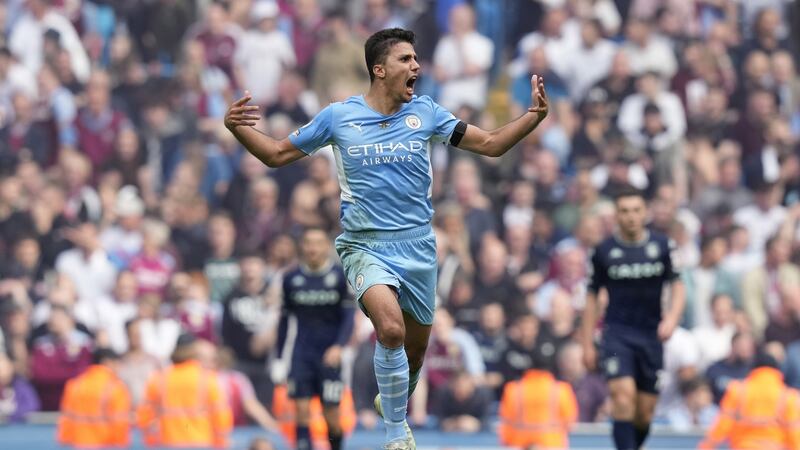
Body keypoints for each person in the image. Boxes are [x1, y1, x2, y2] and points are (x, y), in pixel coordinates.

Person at [224, 27, 549, 450]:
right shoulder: (339, 117)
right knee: (390, 330)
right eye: (406, 60)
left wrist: (532, 117)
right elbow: (276, 154)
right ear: (379, 70)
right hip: (365, 245)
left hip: (418, 247)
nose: (416, 66)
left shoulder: (428, 113)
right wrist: (236, 129)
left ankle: (392, 399)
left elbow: (489, 145)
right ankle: (397, 433)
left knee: (413, 353)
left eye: (416, 59)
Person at [581, 188, 685, 450]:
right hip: (617, 334)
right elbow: (592, 298)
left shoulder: (662, 245)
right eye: (624, 211)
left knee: (644, 412)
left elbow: (678, 285)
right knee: (622, 396)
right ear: (616, 215)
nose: (631, 217)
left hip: (651, 335)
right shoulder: (603, 251)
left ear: (645, 212)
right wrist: (586, 344)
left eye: (636, 210)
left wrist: (672, 318)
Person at [275, 228, 355, 450]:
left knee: (331, 414)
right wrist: (280, 357)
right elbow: (284, 322)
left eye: (318, 243)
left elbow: (349, 317)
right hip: (302, 353)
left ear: (327, 247)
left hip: (330, 355)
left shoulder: (340, 276)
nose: (312, 248)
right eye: (308, 242)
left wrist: (339, 346)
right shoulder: (291, 278)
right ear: (302, 246)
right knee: (300, 411)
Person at [137, 334, 233, 449]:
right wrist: (221, 443)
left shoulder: (159, 378)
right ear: (194, 352)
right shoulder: (207, 378)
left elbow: (145, 415)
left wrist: (152, 442)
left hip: (168, 442)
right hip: (200, 442)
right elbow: (220, 414)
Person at [698, 352, 800, 449]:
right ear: (777, 370)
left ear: (752, 369)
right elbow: (794, 433)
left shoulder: (737, 390)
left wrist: (706, 447)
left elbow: (723, 425)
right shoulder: (788, 397)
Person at [498, 353, 578, 449]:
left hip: (519, 445)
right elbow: (569, 422)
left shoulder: (513, 389)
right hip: (552, 445)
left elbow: (506, 422)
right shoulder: (562, 389)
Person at [57, 348, 132, 448]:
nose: (118, 368)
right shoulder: (116, 388)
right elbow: (120, 422)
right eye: (117, 363)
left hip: (80, 445)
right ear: (108, 362)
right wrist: (121, 444)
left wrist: (65, 439)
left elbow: (67, 418)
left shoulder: (75, 385)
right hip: (106, 445)